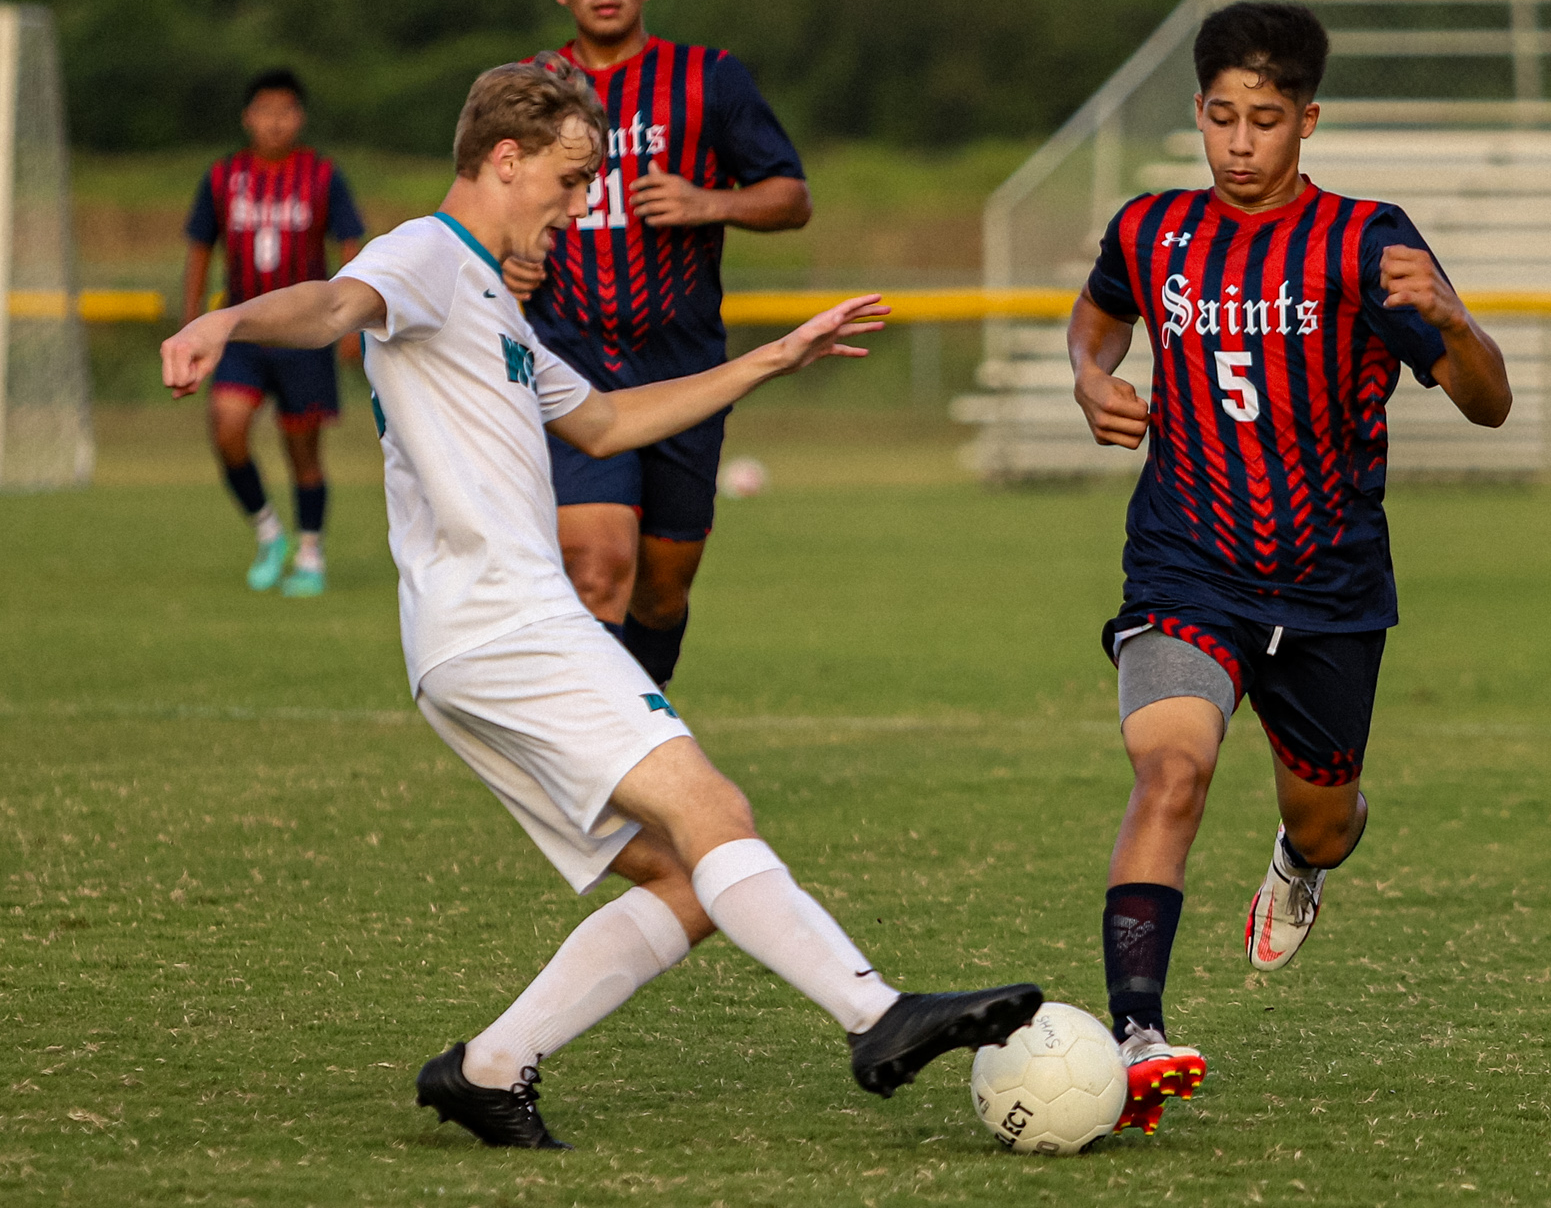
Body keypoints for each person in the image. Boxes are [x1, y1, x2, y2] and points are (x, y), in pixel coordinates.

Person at [160, 60, 1039, 1150]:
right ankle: (876, 1015)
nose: (578, 210)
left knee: (688, 879)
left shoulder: (490, 297)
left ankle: (488, 1068)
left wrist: (772, 357)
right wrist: (227, 320)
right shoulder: (425, 256)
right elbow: (336, 301)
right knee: (714, 812)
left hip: (460, 645)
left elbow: (608, 425)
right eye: (570, 184)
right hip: (507, 622)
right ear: (505, 159)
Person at [1067, 2, 1512, 1135]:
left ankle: (1300, 861)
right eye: (1220, 117)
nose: (1239, 143)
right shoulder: (1151, 229)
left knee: (1323, 818)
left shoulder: (1368, 243)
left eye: (1264, 121)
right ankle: (1134, 1035)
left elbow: (1487, 404)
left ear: (1306, 121)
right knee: (1170, 773)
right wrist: (1089, 377)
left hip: (1327, 587)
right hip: (1184, 565)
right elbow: (1096, 315)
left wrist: (1453, 322)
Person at [506, 0, 812, 691]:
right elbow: (485, 207)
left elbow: (792, 196)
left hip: (684, 369)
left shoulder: (709, 79)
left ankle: (635, 733)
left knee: (661, 589)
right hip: (570, 359)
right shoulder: (530, 89)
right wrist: (511, 252)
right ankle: (598, 770)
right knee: (597, 566)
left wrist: (709, 200)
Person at [182, 68, 366, 598]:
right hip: (239, 330)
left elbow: (351, 242)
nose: (275, 122)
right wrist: (192, 318)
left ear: (300, 117)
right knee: (227, 428)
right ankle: (268, 533)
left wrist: (352, 322)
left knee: (302, 449)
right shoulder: (223, 177)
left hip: (305, 335)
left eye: (285, 112)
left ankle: (310, 550)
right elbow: (200, 246)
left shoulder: (322, 175)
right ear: (247, 117)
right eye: (265, 111)